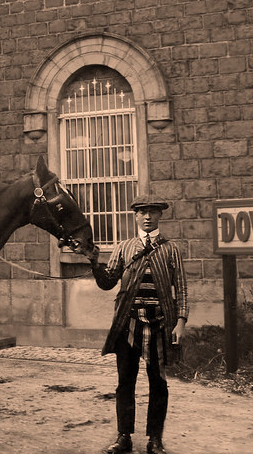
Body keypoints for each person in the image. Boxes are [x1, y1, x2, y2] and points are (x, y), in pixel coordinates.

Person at [90, 193, 188, 454]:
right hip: (128, 324)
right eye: (142, 212)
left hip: (159, 324)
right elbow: (107, 282)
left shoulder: (170, 249)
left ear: (160, 215)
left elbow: (182, 289)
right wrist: (93, 261)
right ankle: (124, 437)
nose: (147, 216)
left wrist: (180, 322)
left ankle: (155, 439)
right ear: (135, 215)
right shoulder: (124, 247)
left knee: (158, 383)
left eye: (153, 212)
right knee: (125, 381)